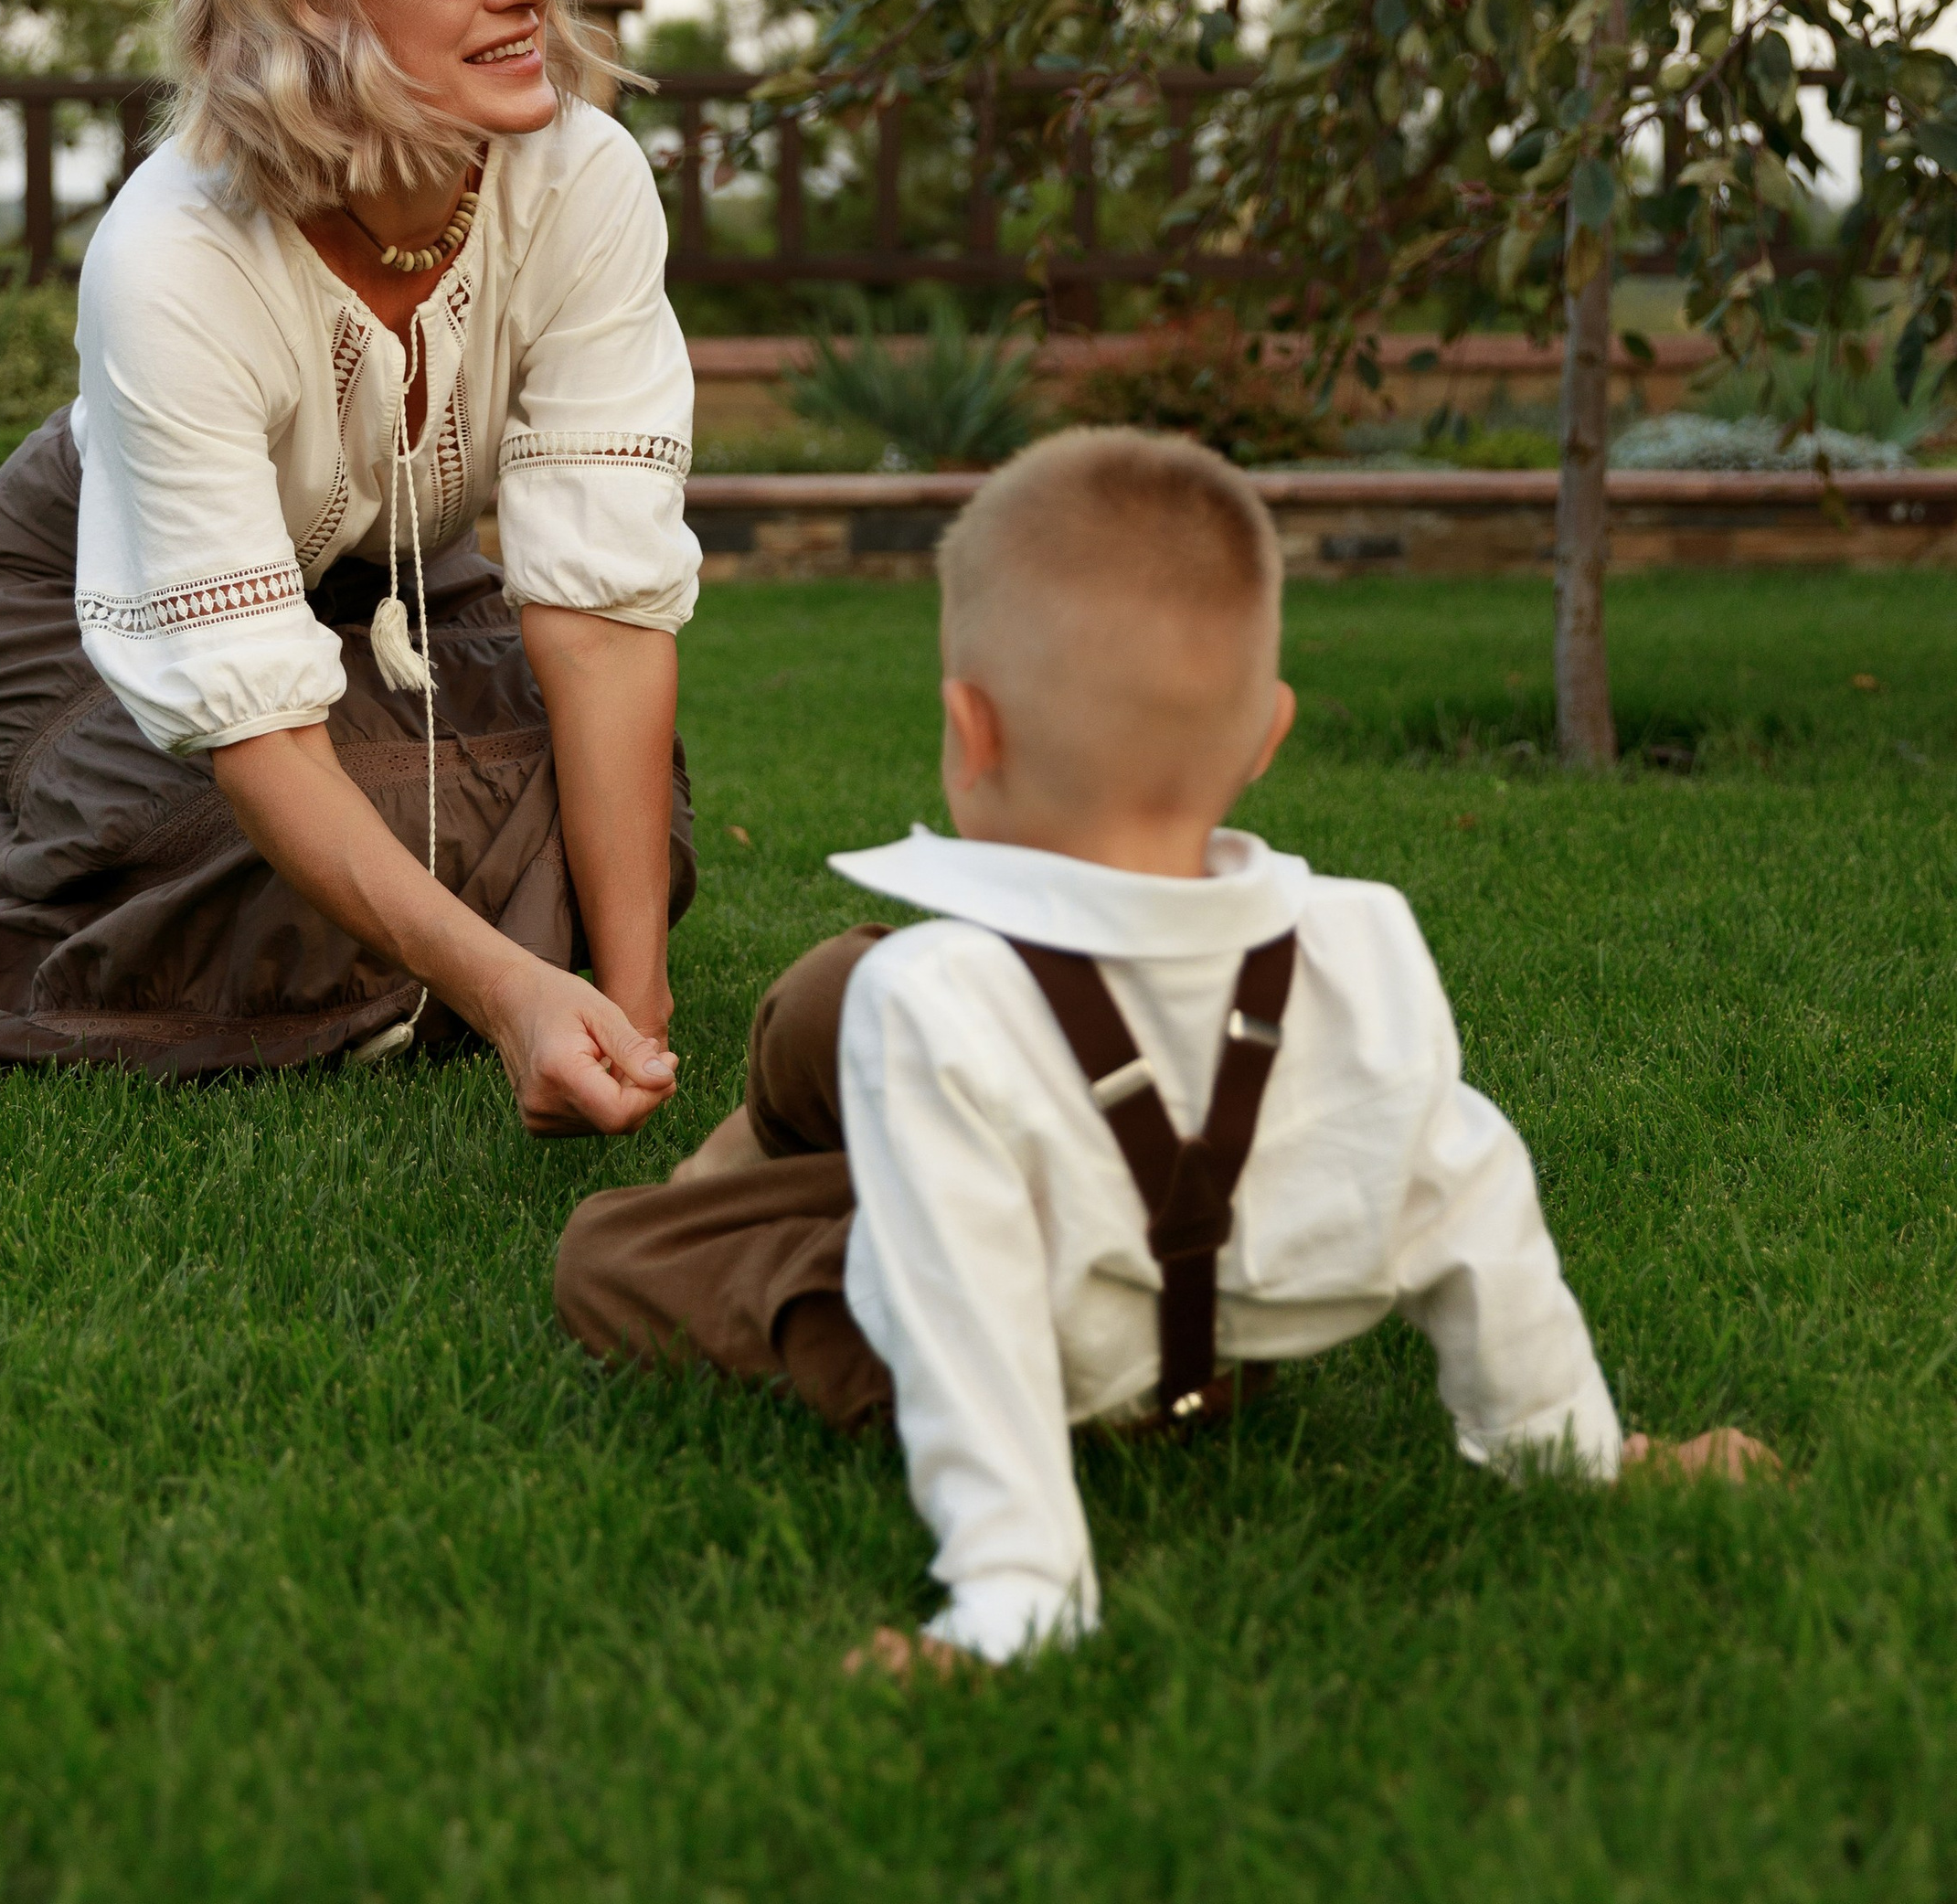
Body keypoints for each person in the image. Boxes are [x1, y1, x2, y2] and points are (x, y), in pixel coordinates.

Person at [556, 428, 1774, 1668]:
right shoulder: (1366, 940)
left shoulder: (938, 999)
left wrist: (1013, 1600)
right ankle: (772, 1161)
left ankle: (748, 1194)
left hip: (1095, 1344)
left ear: (969, 731)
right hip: (1159, 1237)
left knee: (610, 1249)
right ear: (1267, 735)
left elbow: (961, 1309)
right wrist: (1560, 1443)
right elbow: (1472, 1181)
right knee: (834, 985)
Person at [0, 0, 697, 1138]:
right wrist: (516, 998)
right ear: (310, 7)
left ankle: (391, 938)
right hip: (94, 592)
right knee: (376, 803)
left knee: (622, 778)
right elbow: (259, 727)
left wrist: (638, 1011)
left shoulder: (585, 180)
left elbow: (606, 621)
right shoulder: (173, 254)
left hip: (395, 578)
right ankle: (43, 859)